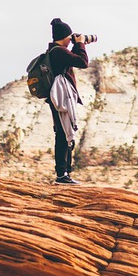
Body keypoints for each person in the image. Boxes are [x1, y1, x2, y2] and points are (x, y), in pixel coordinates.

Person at [46, 18, 89, 184]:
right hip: (61, 95)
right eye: (70, 37)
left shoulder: (55, 51)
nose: (71, 39)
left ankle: (65, 174)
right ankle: (62, 174)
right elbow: (83, 62)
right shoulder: (59, 51)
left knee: (64, 132)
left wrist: (78, 44)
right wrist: (80, 44)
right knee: (64, 134)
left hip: (58, 95)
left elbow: (75, 59)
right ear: (64, 36)